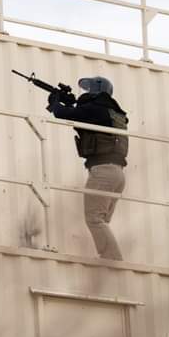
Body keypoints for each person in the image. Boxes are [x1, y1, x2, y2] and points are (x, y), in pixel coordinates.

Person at [46, 76, 129, 261]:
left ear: (96, 91)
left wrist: (55, 101)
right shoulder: (113, 112)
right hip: (117, 174)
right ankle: (111, 257)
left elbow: (63, 114)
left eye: (88, 89)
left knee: (94, 219)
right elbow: (83, 116)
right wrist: (68, 103)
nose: (84, 93)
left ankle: (112, 258)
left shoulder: (96, 109)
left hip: (103, 171)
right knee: (102, 220)